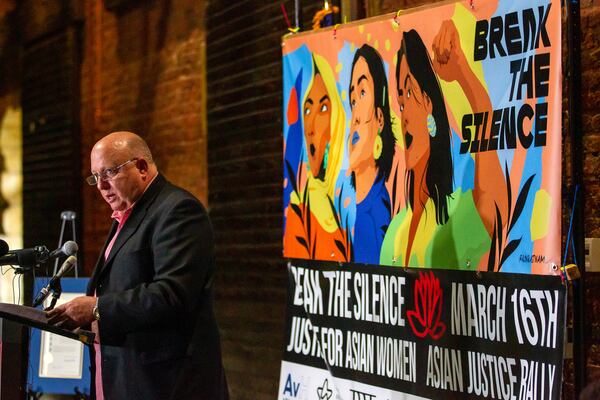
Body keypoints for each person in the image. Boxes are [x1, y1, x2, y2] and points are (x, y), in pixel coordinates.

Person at [47, 131, 229, 399]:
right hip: (127, 378)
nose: (101, 186)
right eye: (95, 177)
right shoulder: (128, 215)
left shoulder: (178, 211)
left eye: (108, 173)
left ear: (141, 167)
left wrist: (97, 308)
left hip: (167, 385)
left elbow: (172, 294)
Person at [380, 22, 507, 269]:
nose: (403, 114)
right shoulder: (395, 228)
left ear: (429, 103)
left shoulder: (454, 213)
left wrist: (461, 72)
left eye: (409, 91)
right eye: (400, 101)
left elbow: (495, 203)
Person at [284, 54, 351, 261]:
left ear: (336, 122)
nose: (311, 126)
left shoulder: (343, 203)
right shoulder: (299, 211)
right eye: (307, 109)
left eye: (322, 108)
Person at [347, 44, 395, 264]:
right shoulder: (357, 208)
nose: (355, 115)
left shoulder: (377, 213)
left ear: (380, 118)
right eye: (353, 99)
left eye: (363, 92)